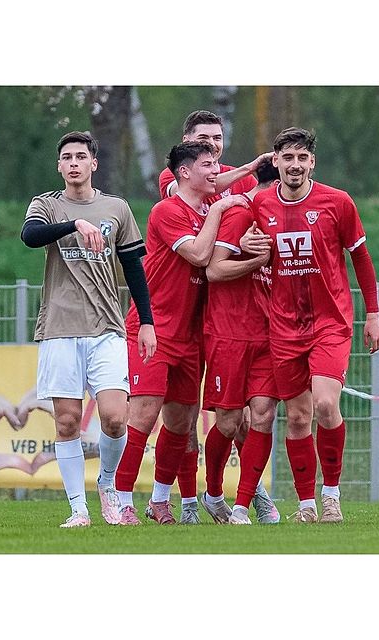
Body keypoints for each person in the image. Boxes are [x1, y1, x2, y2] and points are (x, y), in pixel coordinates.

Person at [21, 131, 156, 528]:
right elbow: (29, 236)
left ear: (93, 164)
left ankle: (109, 485)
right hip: (60, 329)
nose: (75, 163)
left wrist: (146, 320)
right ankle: (78, 509)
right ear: (60, 166)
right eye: (68, 157)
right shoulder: (46, 205)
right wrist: (72, 225)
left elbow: (133, 267)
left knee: (116, 416)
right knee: (66, 422)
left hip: (107, 329)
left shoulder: (116, 208)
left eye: (82, 156)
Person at [251, 127, 379, 523]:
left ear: (313, 163)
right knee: (295, 417)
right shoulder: (260, 204)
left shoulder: (337, 202)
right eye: (287, 158)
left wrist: (373, 314)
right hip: (284, 326)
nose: (295, 165)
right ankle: (306, 505)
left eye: (302, 158)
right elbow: (249, 248)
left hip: (331, 321)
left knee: (326, 403)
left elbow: (360, 257)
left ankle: (331, 496)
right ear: (275, 162)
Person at [114, 141, 246, 525]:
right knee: (143, 414)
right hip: (151, 328)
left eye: (217, 164)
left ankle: (159, 501)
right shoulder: (166, 211)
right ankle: (122, 500)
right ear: (185, 172)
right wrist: (222, 207)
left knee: (180, 423)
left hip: (190, 336)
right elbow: (201, 256)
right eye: (208, 164)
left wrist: (253, 168)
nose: (216, 170)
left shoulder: (206, 209)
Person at [158, 110, 269, 523]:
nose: (212, 144)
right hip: (183, 314)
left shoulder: (231, 180)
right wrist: (240, 180)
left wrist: (251, 239)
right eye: (203, 137)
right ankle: (186, 502)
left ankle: (247, 494)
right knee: (184, 418)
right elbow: (208, 198)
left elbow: (256, 216)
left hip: (226, 315)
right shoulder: (179, 176)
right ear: (186, 141)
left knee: (238, 416)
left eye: (218, 137)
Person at [200, 156, 281, 525]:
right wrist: (254, 259)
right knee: (230, 423)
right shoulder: (240, 214)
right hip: (229, 332)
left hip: (267, 334)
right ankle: (214, 493)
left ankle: (244, 506)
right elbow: (214, 270)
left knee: (263, 416)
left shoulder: (286, 221)